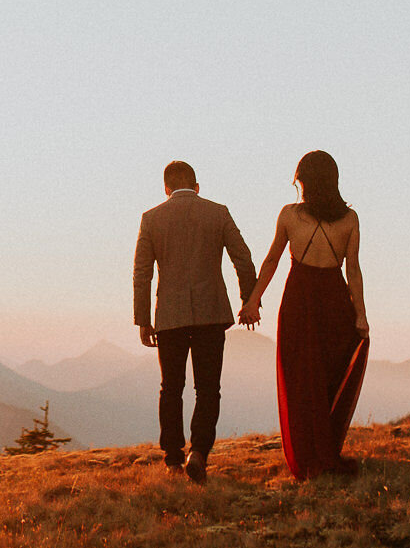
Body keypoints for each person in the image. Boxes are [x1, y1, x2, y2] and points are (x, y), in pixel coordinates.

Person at [240, 149, 369, 479]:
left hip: (299, 301)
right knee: (328, 377)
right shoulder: (350, 219)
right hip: (335, 301)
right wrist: (361, 316)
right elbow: (353, 271)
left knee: (299, 380)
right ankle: (325, 450)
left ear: (305, 181)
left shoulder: (289, 215)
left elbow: (271, 261)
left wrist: (253, 302)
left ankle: (307, 455)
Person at [133, 160, 255, 483]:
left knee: (171, 388)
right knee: (208, 388)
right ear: (197, 186)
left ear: (166, 188)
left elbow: (142, 273)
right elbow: (243, 258)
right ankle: (199, 452)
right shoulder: (218, 213)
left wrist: (143, 319)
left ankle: (173, 459)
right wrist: (248, 299)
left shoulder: (151, 219)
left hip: (169, 316)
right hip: (211, 313)